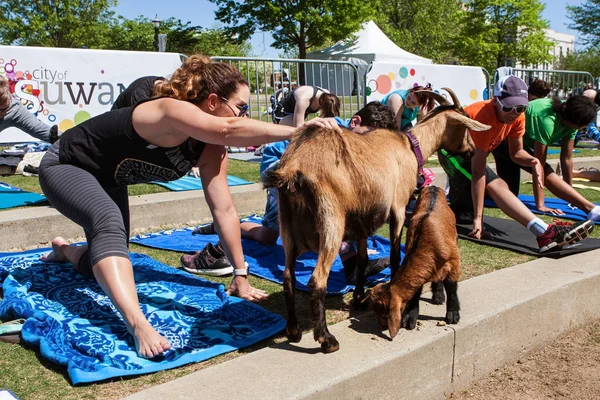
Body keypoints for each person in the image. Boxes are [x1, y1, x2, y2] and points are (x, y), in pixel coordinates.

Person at [36, 55, 341, 358]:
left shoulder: (210, 151)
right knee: (108, 223)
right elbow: (227, 129)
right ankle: (137, 324)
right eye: (241, 108)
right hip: (67, 164)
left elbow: (223, 210)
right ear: (211, 102)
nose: (245, 116)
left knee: (103, 260)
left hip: (109, 178)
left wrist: (240, 273)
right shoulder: (168, 110)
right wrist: (299, 130)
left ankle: (65, 250)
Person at [191, 101, 398, 280]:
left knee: (267, 237)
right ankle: (352, 266)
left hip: (303, 173)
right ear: (355, 122)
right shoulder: (331, 130)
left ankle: (228, 226)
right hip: (279, 169)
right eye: (369, 138)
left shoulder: (353, 137)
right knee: (336, 215)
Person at [438, 75, 594, 252]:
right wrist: (479, 218)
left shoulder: (517, 117)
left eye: (520, 107)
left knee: (463, 213)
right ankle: (545, 233)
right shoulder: (481, 117)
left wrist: (533, 160)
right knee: (497, 185)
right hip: (452, 153)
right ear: (496, 100)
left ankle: (460, 205)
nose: (514, 112)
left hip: (472, 153)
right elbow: (478, 172)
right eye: (508, 107)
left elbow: (516, 153)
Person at [195, 93, 343, 246]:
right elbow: (297, 131)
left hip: (302, 171)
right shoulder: (324, 118)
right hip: (278, 167)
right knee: (267, 237)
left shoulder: (350, 133)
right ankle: (227, 226)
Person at [492, 94, 600, 219]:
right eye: (584, 125)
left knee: (509, 194)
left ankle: (590, 208)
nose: (585, 128)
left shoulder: (571, 120)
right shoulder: (547, 121)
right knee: (545, 172)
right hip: (502, 140)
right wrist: (540, 204)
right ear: (575, 122)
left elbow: (566, 158)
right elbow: (539, 165)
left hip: (519, 142)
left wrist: (570, 194)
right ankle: (591, 209)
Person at [0, 76, 59, 143]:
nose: (2, 113)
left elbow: (44, 131)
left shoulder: (14, 109)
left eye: (5, 109)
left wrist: (70, 139)